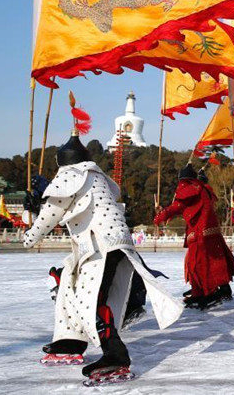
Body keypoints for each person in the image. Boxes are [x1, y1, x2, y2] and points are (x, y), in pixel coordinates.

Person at [23, 129, 183, 384]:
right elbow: (59, 205)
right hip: (106, 245)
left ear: (62, 162)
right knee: (67, 286)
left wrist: (30, 233)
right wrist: (36, 205)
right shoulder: (95, 177)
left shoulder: (70, 175)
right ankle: (69, 340)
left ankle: (115, 355)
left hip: (100, 246)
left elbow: (50, 214)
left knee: (91, 299)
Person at [155, 163, 234, 310]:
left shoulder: (191, 188)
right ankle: (203, 292)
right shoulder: (203, 189)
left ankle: (207, 294)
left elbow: (177, 207)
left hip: (200, 234)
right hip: (210, 232)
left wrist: (160, 216)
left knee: (198, 265)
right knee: (213, 263)